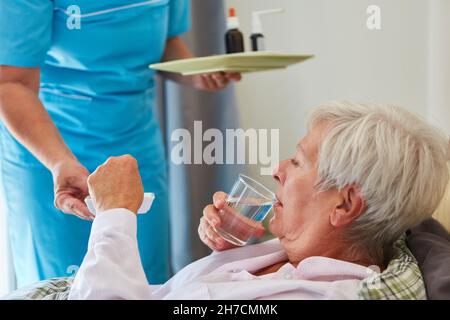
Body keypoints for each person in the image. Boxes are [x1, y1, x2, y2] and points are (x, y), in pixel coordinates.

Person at [68, 101, 449, 299]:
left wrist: (116, 215)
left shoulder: (317, 294)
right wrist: (225, 256)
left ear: (345, 206)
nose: (277, 168)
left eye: (298, 161)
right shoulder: (305, 254)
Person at [0, 0, 241, 287]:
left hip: (135, 143)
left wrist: (199, 75)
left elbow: (165, 42)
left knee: (142, 276)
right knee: (65, 285)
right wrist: (59, 161)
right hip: (51, 145)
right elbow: (11, 83)